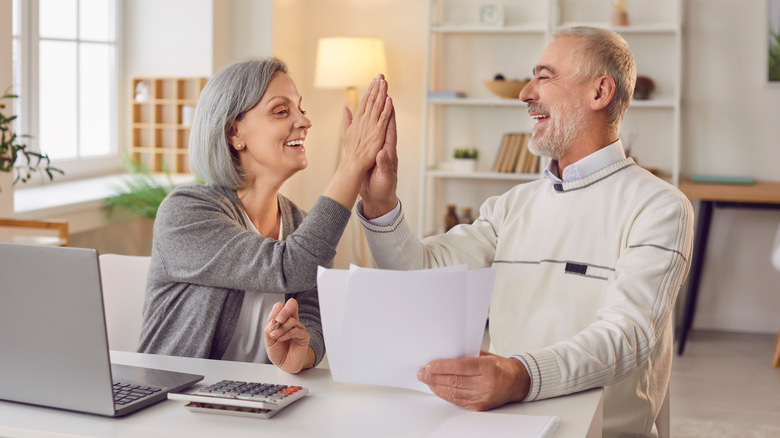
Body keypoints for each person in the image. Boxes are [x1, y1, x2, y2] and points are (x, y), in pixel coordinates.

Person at [358, 26, 693, 437]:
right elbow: (423, 273)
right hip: (503, 424)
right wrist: (379, 204)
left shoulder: (660, 207)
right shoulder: (511, 205)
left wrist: (519, 376)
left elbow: (627, 336)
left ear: (599, 93)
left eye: (544, 76)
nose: (525, 93)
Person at [139, 57, 394, 373]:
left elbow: (312, 315)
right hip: (173, 404)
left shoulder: (300, 224)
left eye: (302, 109)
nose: (304, 121)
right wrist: (351, 165)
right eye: (282, 111)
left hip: (257, 402)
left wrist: (303, 350)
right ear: (235, 133)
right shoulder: (185, 212)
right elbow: (290, 266)